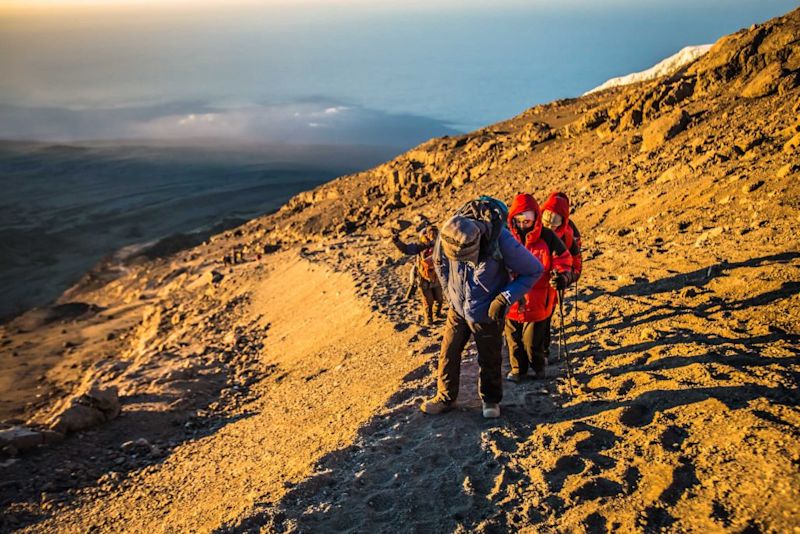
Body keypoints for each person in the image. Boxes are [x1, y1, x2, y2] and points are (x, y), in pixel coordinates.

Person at [420, 197, 543, 419]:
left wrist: (504, 298)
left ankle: (491, 400)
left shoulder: (501, 240)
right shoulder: (450, 231)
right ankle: (445, 397)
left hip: (487, 308)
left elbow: (534, 270)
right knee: (448, 351)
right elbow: (440, 262)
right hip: (458, 307)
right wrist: (450, 295)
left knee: (489, 357)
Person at [503, 193, 573, 381]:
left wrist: (563, 276)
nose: (524, 224)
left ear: (535, 217)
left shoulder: (548, 237)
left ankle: (538, 367)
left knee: (532, 342)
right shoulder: (506, 237)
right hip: (512, 299)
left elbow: (564, 259)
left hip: (539, 300)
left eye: (528, 219)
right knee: (513, 340)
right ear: (513, 218)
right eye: (520, 219)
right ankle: (518, 370)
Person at [540, 191, 583, 363]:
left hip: (554, 281)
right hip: (533, 278)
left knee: (547, 313)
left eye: (554, 224)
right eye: (546, 222)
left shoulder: (570, 236)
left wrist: (565, 279)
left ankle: (543, 349)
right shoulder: (530, 226)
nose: (549, 228)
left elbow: (576, 267)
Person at [391, 225, 444, 325]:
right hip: (424, 278)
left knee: (440, 298)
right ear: (427, 234)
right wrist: (396, 240)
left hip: (437, 278)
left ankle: (438, 313)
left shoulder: (441, 245)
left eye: (435, 233)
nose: (433, 235)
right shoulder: (421, 246)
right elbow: (406, 249)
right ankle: (428, 319)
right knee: (428, 301)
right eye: (431, 233)